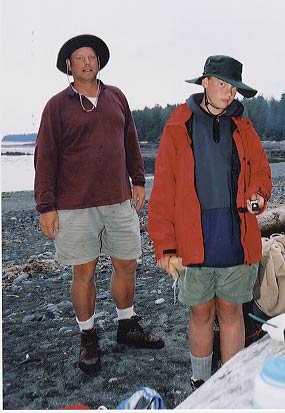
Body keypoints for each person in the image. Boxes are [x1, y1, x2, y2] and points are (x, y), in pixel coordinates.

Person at [34, 34, 164, 375]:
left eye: (92, 57)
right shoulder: (56, 106)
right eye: (80, 58)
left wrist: (138, 179)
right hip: (74, 206)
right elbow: (45, 158)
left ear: (98, 62)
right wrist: (46, 207)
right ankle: (88, 336)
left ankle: (127, 325)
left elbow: (130, 141)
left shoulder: (116, 97)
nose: (87, 62)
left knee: (127, 263)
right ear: (69, 66)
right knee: (84, 271)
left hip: (119, 200)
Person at [148, 55, 272, 390]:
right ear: (204, 83)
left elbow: (261, 172)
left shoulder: (244, 129)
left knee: (232, 312)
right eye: (222, 84)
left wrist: (258, 194)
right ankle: (201, 384)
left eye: (234, 87)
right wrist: (164, 245)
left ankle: (230, 386)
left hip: (234, 237)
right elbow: (162, 190)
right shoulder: (178, 127)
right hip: (193, 242)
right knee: (201, 314)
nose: (229, 92)